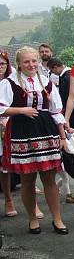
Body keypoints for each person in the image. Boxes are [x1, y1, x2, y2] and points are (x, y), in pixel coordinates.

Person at [0, 47, 69, 235]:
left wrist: (62, 136)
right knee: (28, 179)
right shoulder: (9, 83)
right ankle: (32, 219)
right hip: (22, 131)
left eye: (33, 61)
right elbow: (1, 108)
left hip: (45, 130)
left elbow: (56, 111)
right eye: (26, 62)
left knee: (49, 178)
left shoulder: (46, 82)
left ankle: (57, 218)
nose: (31, 65)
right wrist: (21, 110)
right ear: (19, 64)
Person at [45, 58, 74, 205]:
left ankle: (64, 191)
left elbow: (62, 106)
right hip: (53, 130)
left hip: (59, 127)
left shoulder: (65, 77)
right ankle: (66, 192)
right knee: (59, 168)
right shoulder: (66, 76)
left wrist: (66, 125)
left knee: (61, 167)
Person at [0, 51, 18, 217]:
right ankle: (7, 199)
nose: (0, 68)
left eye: (2, 64)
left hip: (10, 126)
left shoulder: (12, 82)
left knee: (9, 165)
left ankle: (10, 199)